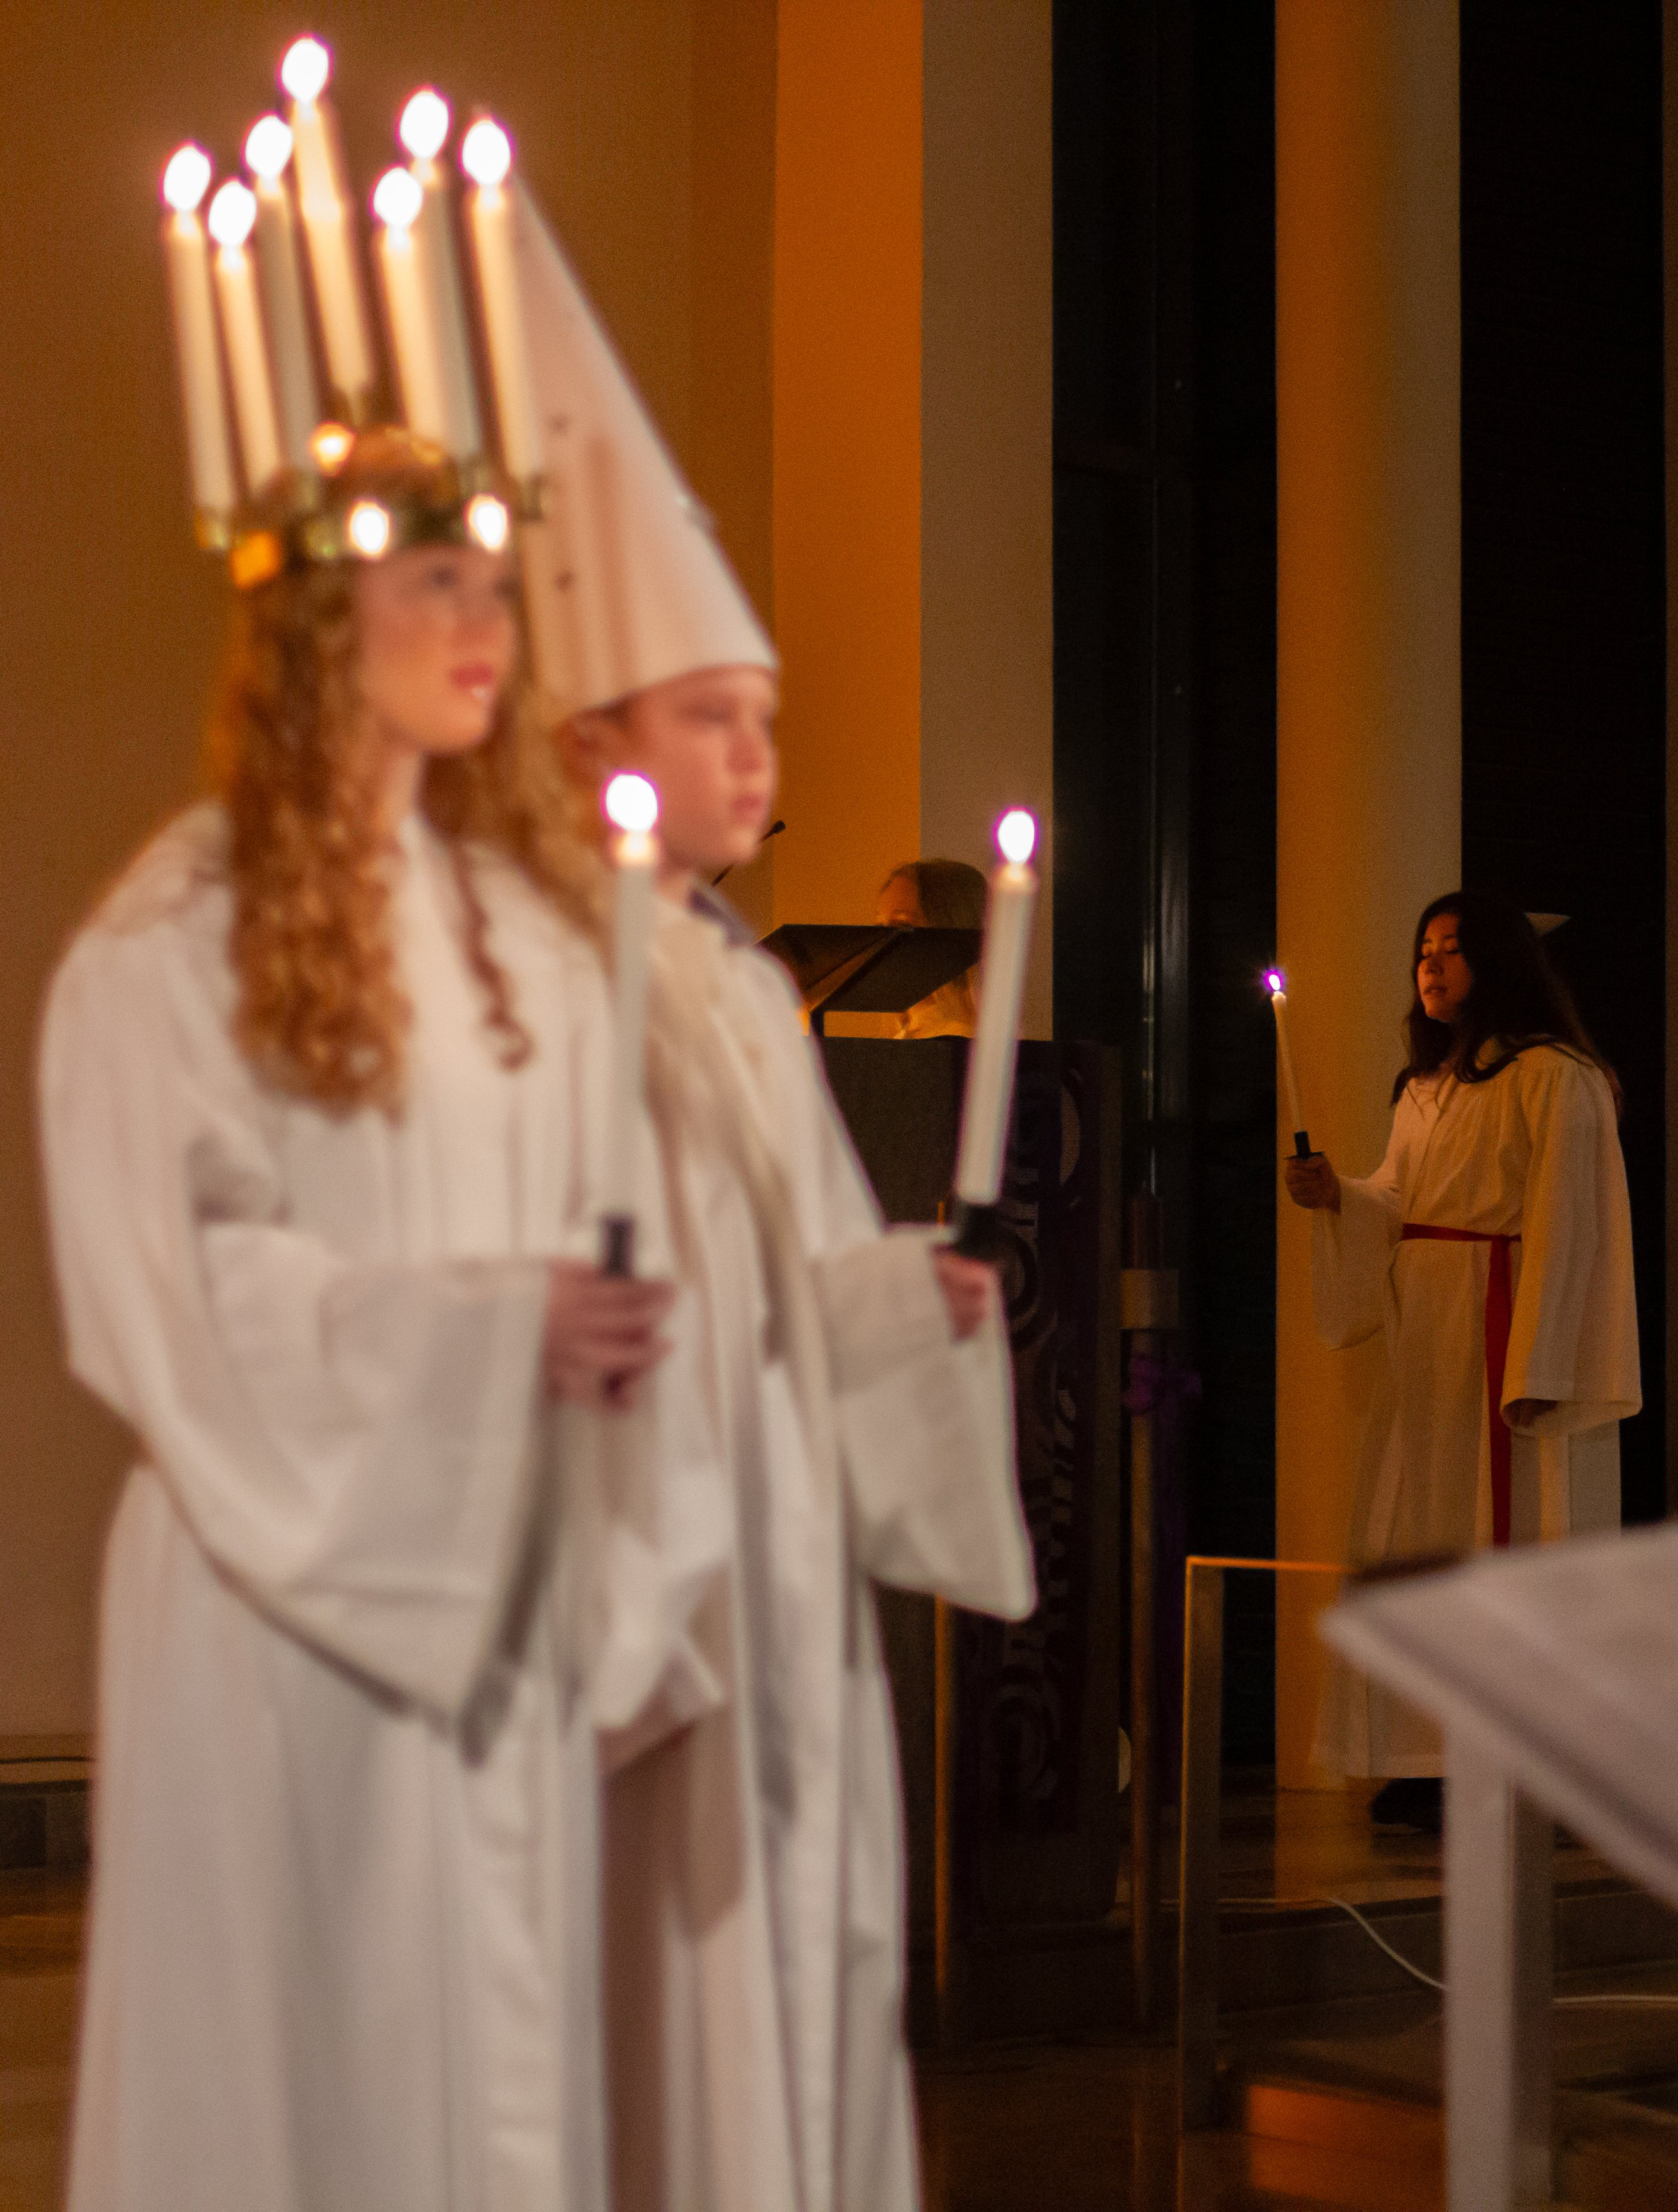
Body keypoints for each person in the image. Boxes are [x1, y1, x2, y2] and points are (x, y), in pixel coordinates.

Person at [42, 429, 677, 2209]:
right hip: (282, 1589)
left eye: (497, 582)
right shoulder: (178, 936)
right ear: (324, 618)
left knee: (490, 2074)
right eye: (436, 583)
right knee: (297, 2067)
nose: (489, 623)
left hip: (501, 1592)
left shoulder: (531, 946)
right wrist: (484, 1337)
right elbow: (171, 1285)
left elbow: (592, 1232)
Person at [512, 199, 1037, 2211]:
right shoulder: (534, 976)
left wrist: (908, 1299)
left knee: (792, 2006)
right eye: (714, 716)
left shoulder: (732, 979)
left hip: (776, 1581)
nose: (763, 757)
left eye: (771, 719)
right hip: (634, 1599)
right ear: (593, 748)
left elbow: (790, 1283)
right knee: (639, 2043)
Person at [1283, 892, 1640, 1830]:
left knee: (1500, 1536)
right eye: (1423, 950)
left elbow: (1571, 1226)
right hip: (1428, 1333)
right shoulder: (1426, 1088)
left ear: (1500, 962)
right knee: (1419, 1535)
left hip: (1501, 1324)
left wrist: (1542, 1364)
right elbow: (1399, 1201)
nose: (1431, 966)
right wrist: (1340, 1197)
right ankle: (1423, 1751)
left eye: (1451, 950)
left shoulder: (1557, 1078)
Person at [875, 858, 986, 1039]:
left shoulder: (964, 1045)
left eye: (903, 925)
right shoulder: (901, 1037)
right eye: (880, 927)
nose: (882, 943)